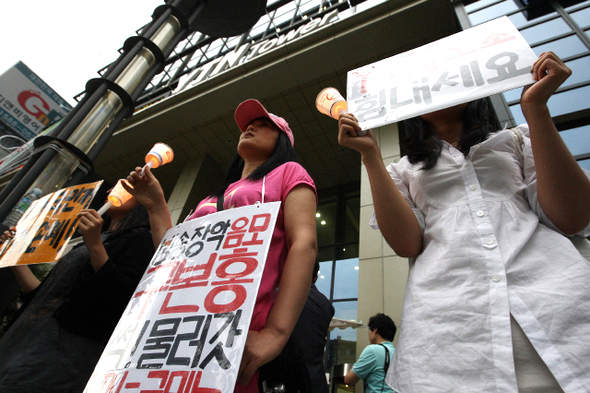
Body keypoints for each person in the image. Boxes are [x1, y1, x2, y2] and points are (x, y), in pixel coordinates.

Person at [338, 51, 590, 392]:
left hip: (564, 316)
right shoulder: (402, 170)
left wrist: (536, 110)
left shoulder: (515, 140)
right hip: (451, 340)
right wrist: (370, 156)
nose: (432, 84)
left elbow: (572, 217)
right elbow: (407, 244)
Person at [124, 98, 318, 393]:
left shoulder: (290, 173)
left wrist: (275, 334)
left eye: (265, 124)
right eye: (249, 124)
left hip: (236, 334)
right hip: (176, 330)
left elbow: (304, 244)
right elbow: (174, 256)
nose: (251, 126)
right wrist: (155, 205)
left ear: (283, 141)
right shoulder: (211, 196)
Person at [0, 193, 155, 393]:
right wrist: (13, 257)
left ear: (142, 202)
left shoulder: (140, 239)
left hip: (57, 360)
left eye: (129, 189)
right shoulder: (91, 240)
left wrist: (95, 245)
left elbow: (119, 297)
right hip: (21, 343)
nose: (116, 188)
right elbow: (44, 297)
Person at [289, 261, 335, 393]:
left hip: (288, 381)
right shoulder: (326, 306)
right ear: (315, 278)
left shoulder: (281, 294)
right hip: (316, 381)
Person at [344, 313, 396, 393]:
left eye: (369, 330)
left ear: (375, 331)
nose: (368, 333)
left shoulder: (372, 350)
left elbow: (349, 380)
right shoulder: (398, 354)